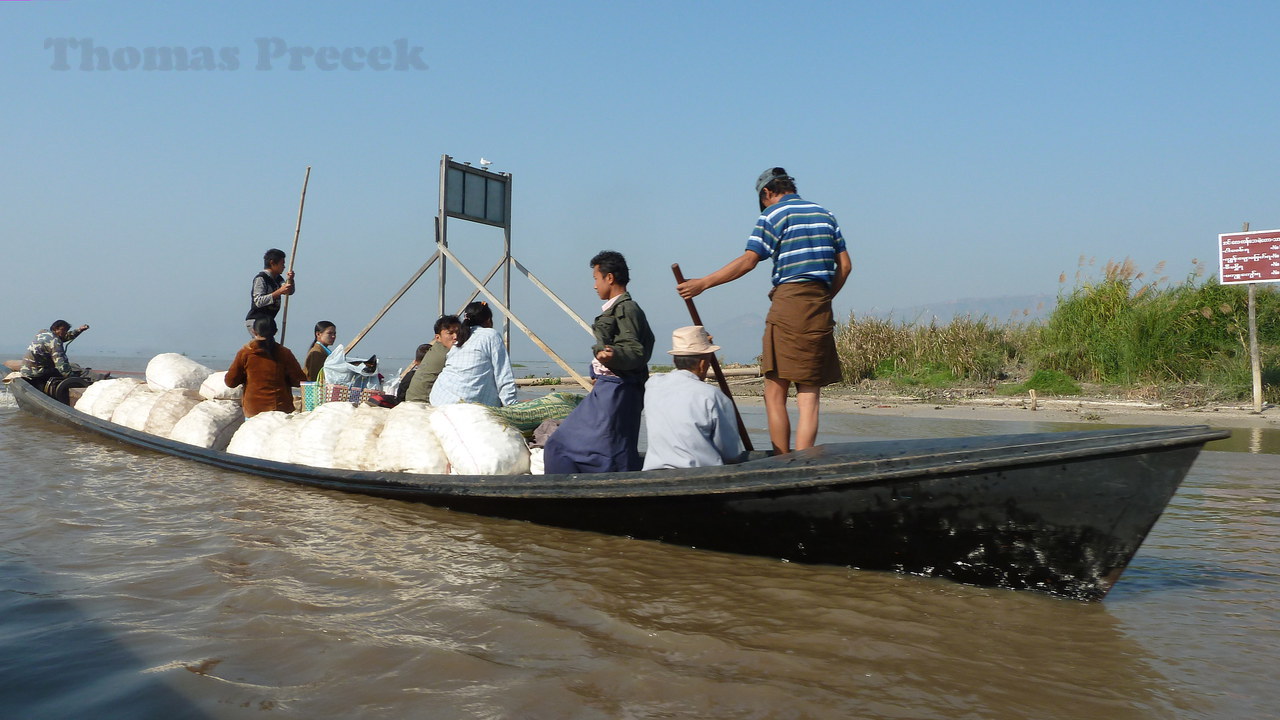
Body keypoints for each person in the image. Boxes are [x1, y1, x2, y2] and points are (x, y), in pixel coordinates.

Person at [677, 167, 851, 455]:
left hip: (789, 302)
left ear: (767, 193)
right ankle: (804, 461)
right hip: (820, 304)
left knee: (775, 389)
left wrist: (703, 283)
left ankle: (782, 461)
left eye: (764, 200)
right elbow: (844, 267)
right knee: (809, 393)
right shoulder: (825, 214)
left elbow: (748, 261)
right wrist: (822, 297)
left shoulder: (774, 214)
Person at [544, 250, 655, 474]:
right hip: (615, 391)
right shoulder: (619, 308)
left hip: (616, 392)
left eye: (596, 278)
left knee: (560, 445)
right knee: (614, 448)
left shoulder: (626, 308)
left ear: (609, 278)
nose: (595, 286)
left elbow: (635, 350)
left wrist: (613, 355)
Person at [642, 326, 746, 470]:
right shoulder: (712, 396)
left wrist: (702, 342)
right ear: (703, 364)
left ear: (674, 360)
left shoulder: (653, 386)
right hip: (700, 474)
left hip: (655, 471)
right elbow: (731, 452)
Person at [428, 303, 516, 407]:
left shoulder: (460, 338)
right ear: (488, 320)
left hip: (439, 398)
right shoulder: (491, 335)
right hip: (467, 403)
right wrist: (512, 406)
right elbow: (503, 375)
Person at [225, 316, 306, 418]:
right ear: (275, 331)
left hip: (254, 411)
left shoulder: (246, 353)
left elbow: (230, 382)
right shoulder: (285, 353)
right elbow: (299, 381)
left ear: (254, 331)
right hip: (281, 411)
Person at [404, 315, 461, 403]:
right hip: (423, 402)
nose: (455, 336)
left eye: (458, 332)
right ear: (438, 337)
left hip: (412, 399)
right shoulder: (448, 353)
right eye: (450, 333)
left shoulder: (436, 349)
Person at [245, 248, 295, 337]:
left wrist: (290, 280)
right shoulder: (261, 278)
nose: (284, 267)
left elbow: (289, 291)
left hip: (268, 321)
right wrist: (279, 292)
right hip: (257, 321)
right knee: (264, 345)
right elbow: (258, 301)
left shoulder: (278, 279)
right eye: (282, 264)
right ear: (272, 263)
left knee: (271, 348)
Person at [21, 320, 90, 383]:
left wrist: (79, 330)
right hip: (37, 373)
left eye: (66, 330)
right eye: (63, 330)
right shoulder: (55, 342)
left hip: (25, 370)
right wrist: (75, 379)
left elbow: (64, 337)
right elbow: (62, 366)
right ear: (55, 328)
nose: (65, 332)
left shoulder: (43, 333)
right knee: (63, 372)